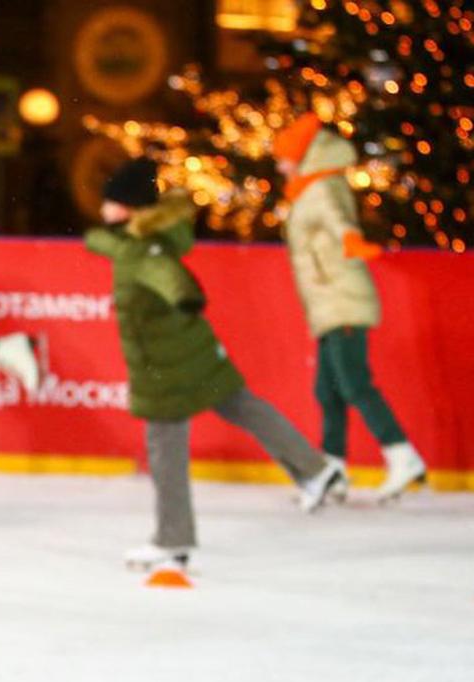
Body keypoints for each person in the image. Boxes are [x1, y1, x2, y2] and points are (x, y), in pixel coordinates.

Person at [85, 156, 343, 574]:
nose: (103, 209)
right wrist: (100, 238)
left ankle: (173, 540)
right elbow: (112, 243)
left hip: (165, 365)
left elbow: (166, 275)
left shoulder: (144, 250)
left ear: (128, 207)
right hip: (194, 351)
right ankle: (315, 469)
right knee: (242, 406)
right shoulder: (144, 238)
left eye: (110, 202)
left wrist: (185, 294)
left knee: (165, 449)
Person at [273, 113, 426, 502]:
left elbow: (337, 219)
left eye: (284, 157)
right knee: (328, 389)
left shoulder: (322, 189)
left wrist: (351, 240)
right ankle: (333, 469)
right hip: (327, 301)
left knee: (353, 383)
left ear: (303, 156)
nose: (279, 166)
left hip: (341, 298)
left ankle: (401, 453)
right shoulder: (307, 189)